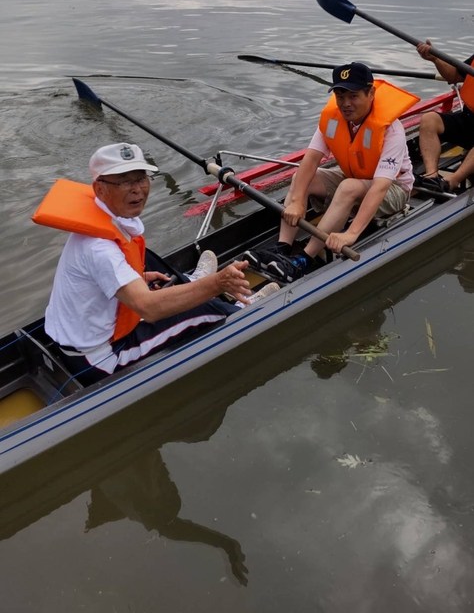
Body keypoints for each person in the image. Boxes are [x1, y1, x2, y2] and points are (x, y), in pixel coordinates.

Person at [34, 143, 279, 384]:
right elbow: (149, 308)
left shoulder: (104, 218)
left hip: (77, 338)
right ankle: (241, 311)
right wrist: (218, 283)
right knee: (203, 311)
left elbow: (102, 279)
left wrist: (139, 278)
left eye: (141, 179)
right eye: (125, 182)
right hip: (100, 359)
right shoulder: (100, 249)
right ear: (100, 189)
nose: (137, 190)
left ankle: (194, 283)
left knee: (148, 260)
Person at [244, 62, 418, 283]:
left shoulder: (392, 130)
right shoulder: (333, 119)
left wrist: (351, 234)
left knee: (348, 187)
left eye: (353, 96)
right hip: (355, 178)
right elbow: (310, 160)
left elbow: (380, 187)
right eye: (340, 96)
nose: (346, 104)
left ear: (371, 93)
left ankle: (304, 259)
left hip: (394, 190)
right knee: (301, 178)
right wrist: (297, 201)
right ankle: (283, 248)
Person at [416, 40, 474, 192]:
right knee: (429, 119)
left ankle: (453, 180)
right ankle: (432, 176)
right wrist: (435, 58)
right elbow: (454, 75)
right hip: (469, 120)